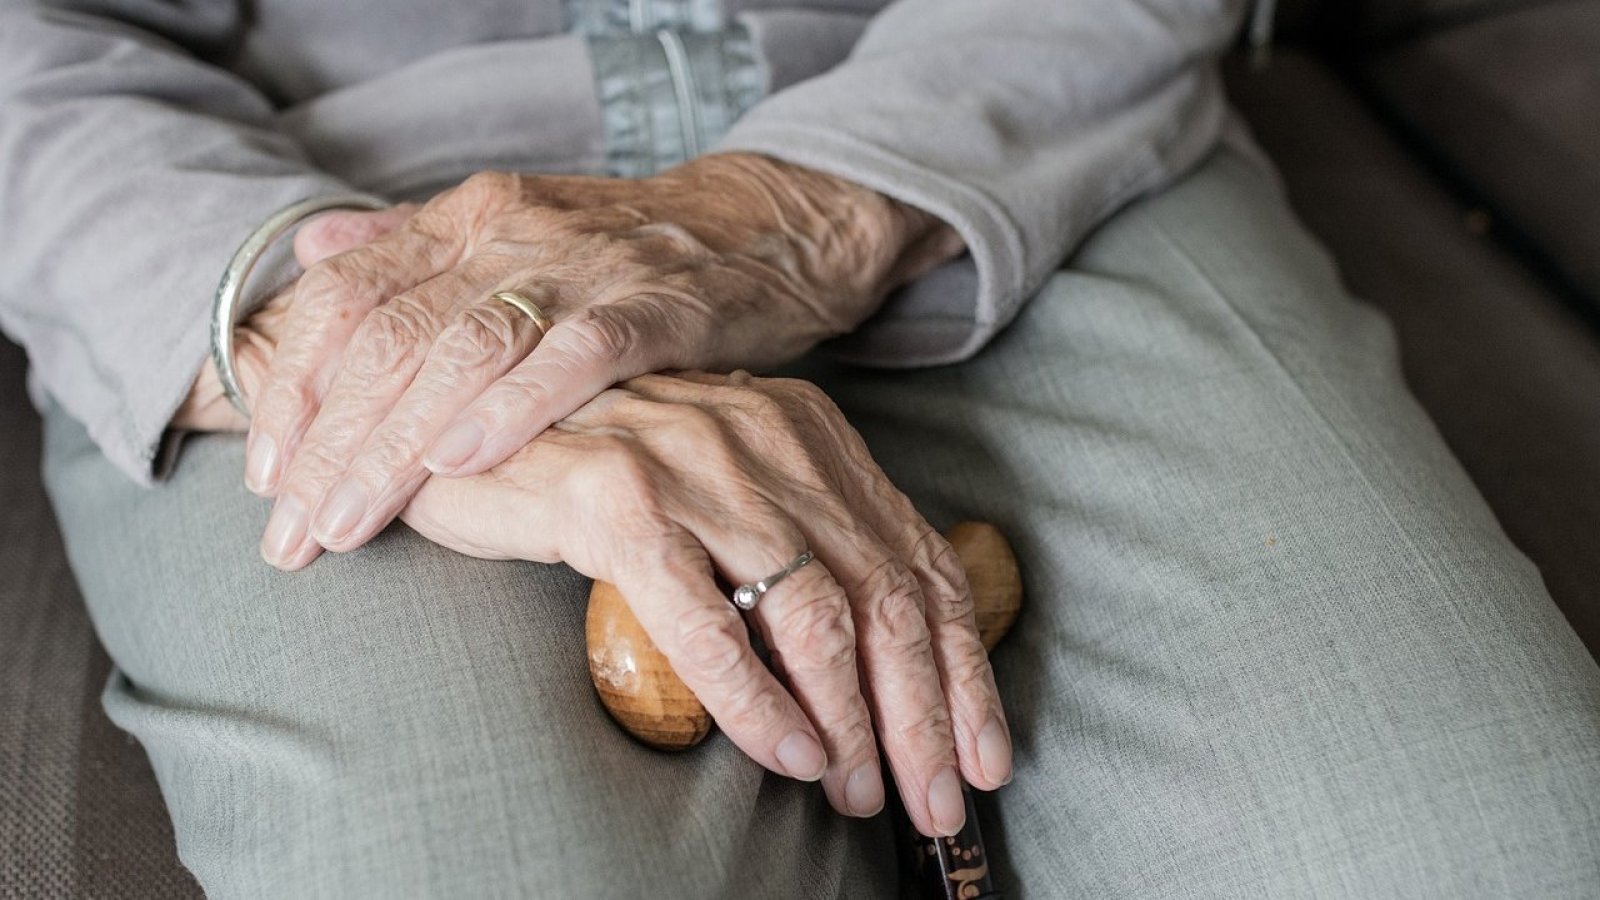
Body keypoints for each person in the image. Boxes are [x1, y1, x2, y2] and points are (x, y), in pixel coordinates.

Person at [4, 0, 1598, 896]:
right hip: (311, 212)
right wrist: (335, 333)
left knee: (1481, 853)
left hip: (1020, 130)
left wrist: (792, 209)